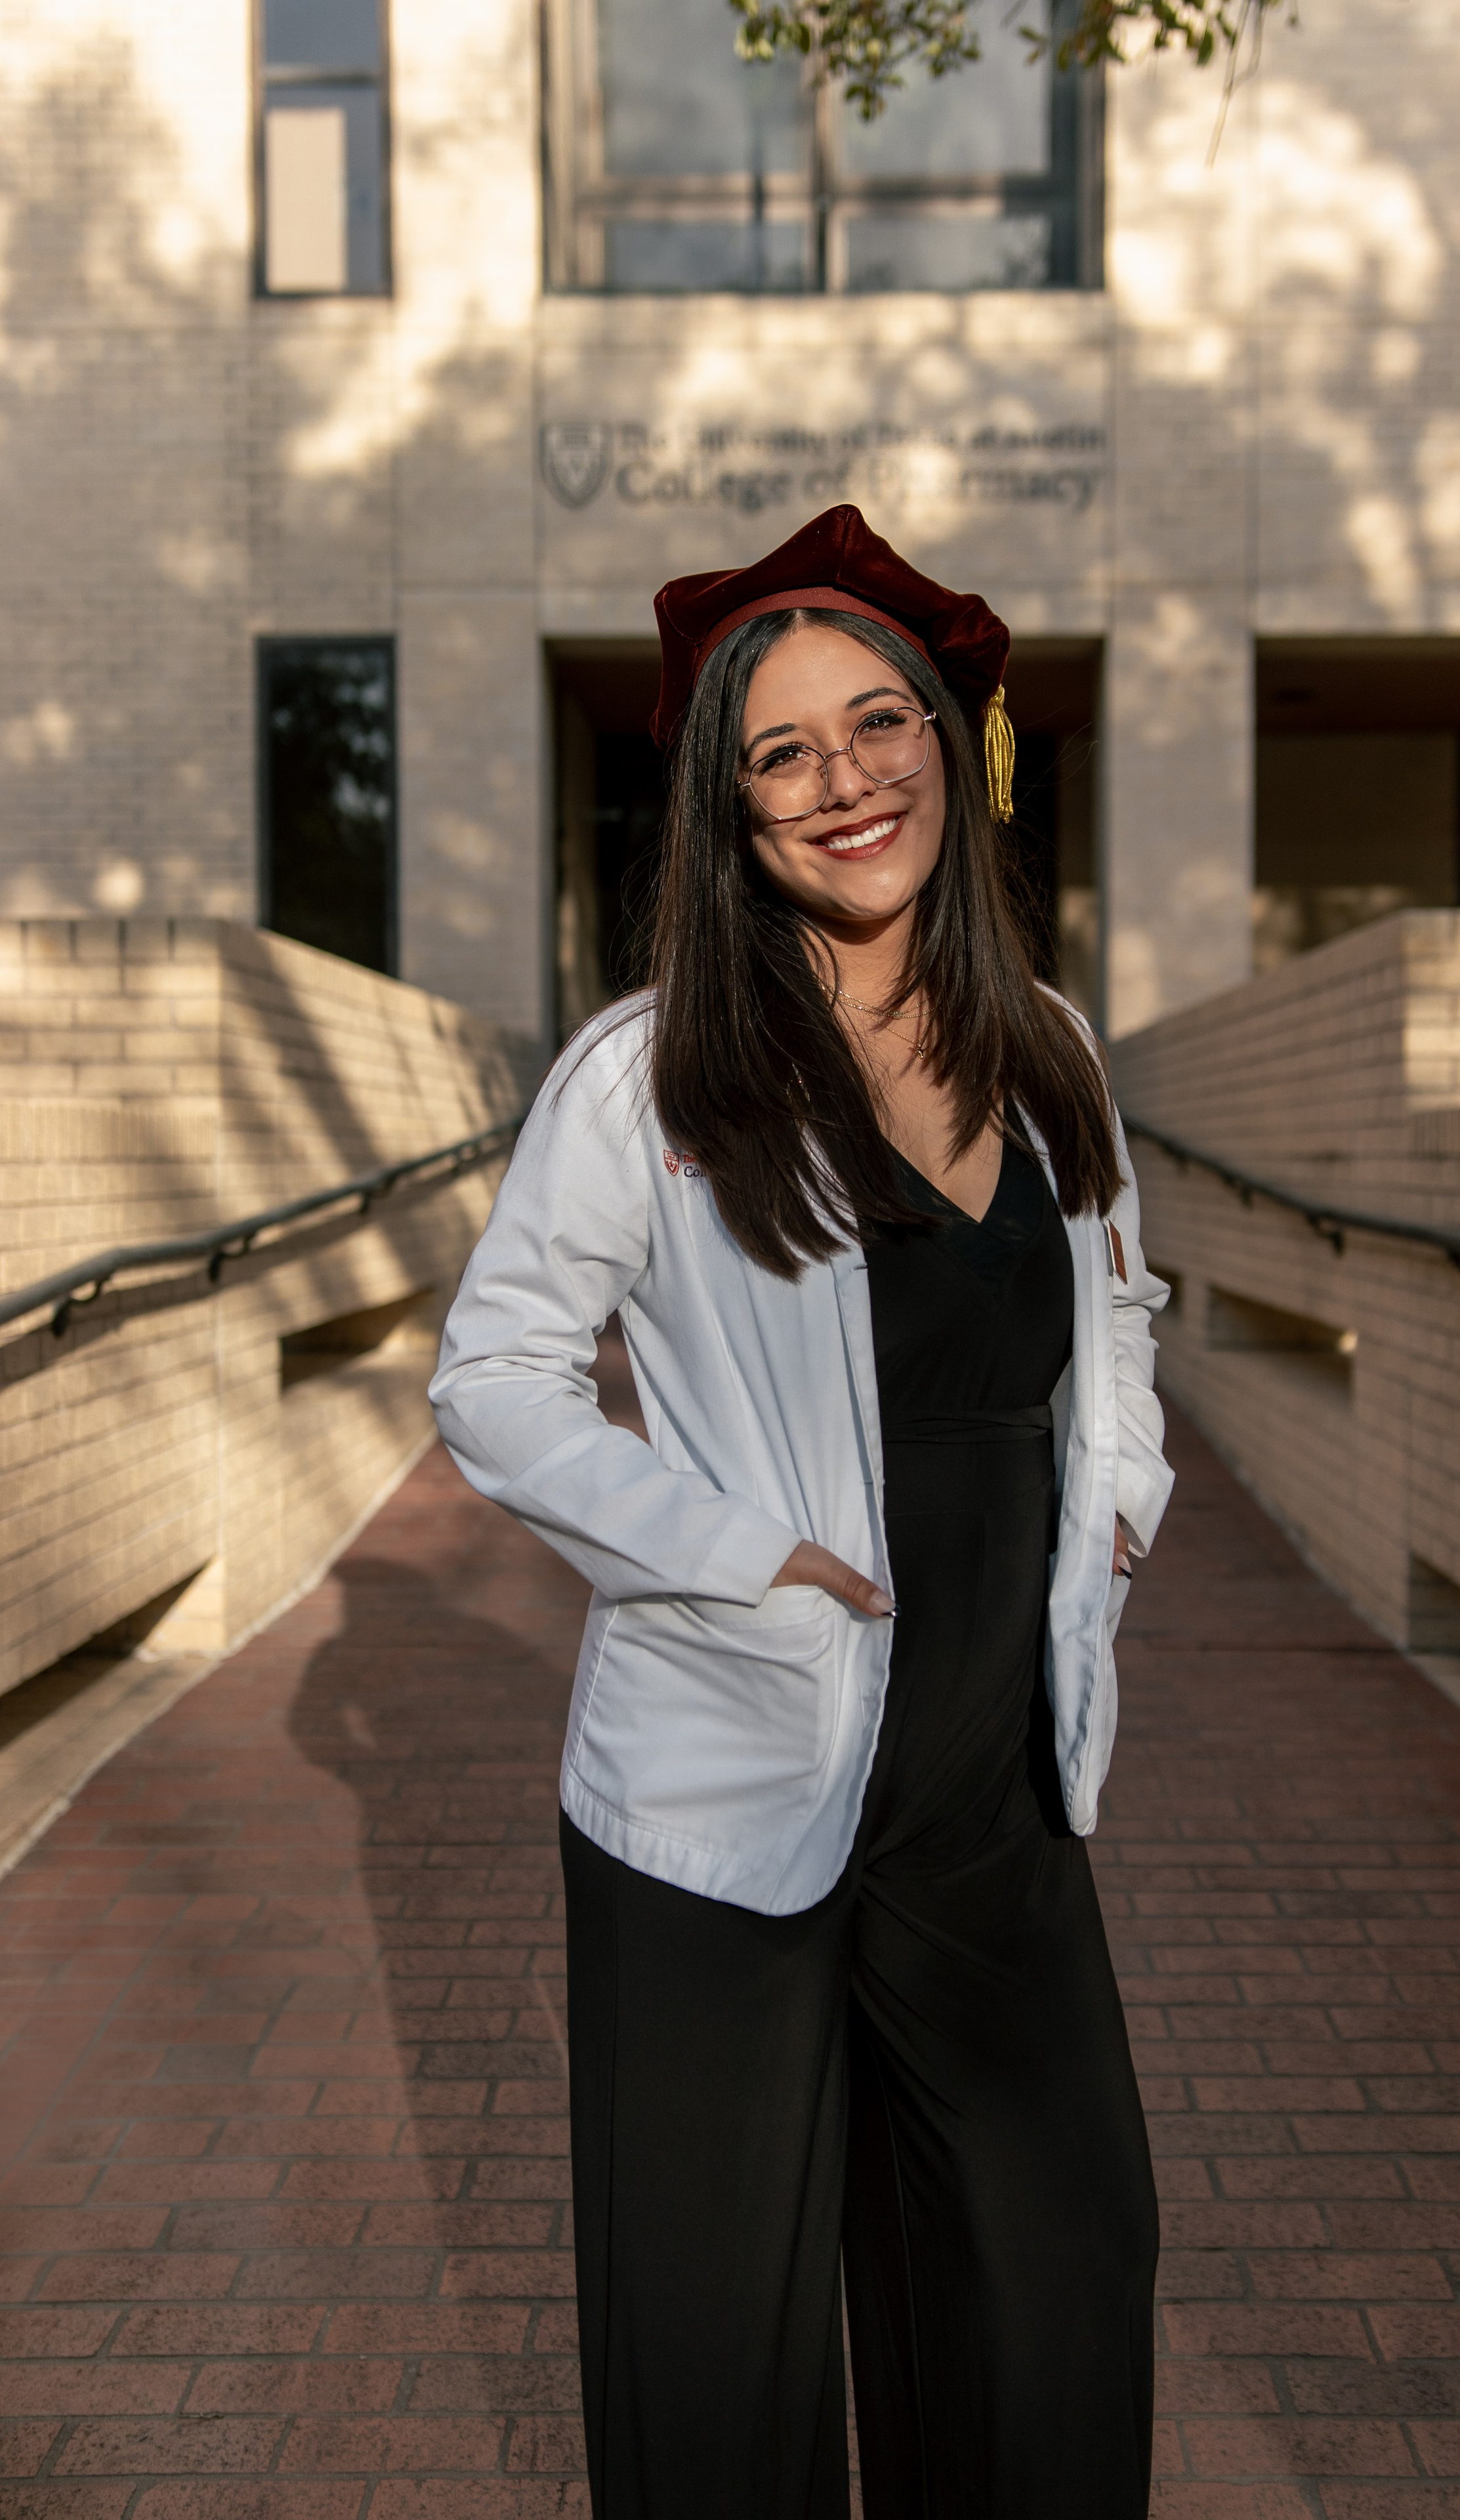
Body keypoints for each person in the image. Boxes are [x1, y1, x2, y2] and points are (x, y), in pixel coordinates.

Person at [430, 505, 1175, 2520]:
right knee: (721, 2369)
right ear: (731, 810)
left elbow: (1116, 1329)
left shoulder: (1054, 1061)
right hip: (728, 1782)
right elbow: (492, 1381)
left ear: (952, 738)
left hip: (985, 1800)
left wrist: (1116, 1509)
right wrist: (729, 1549)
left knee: (1059, 2283)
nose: (846, 777)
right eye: (783, 751)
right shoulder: (648, 1077)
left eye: (880, 722)